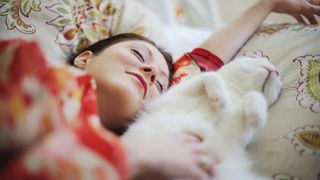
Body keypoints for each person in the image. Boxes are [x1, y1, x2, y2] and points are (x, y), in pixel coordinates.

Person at [0, 0, 319, 179]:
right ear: (84, 58)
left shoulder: (149, 134)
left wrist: (267, 5)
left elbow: (200, 63)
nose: (151, 72)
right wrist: (131, 157)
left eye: (160, 83)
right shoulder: (30, 72)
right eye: (138, 55)